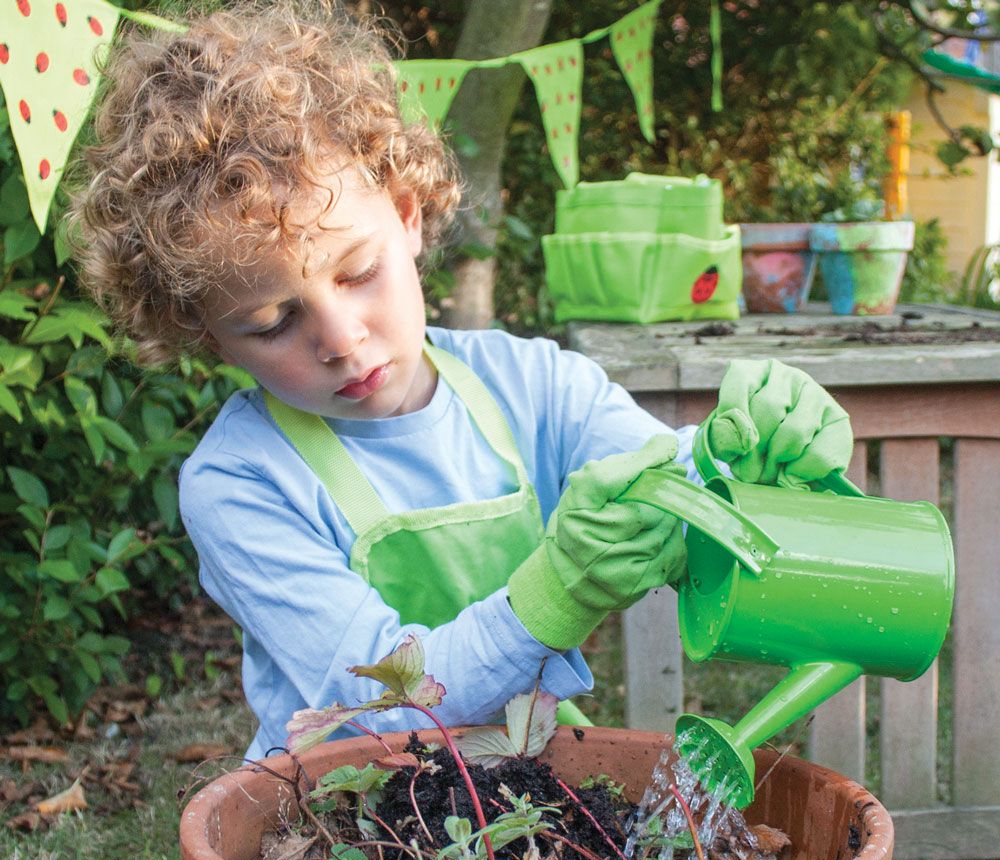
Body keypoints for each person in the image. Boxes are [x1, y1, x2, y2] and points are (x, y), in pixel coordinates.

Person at [68, 1, 853, 761]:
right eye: (272, 321)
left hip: (522, 783)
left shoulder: (535, 386)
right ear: (205, 334)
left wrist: (747, 458)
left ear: (406, 214)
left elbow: (678, 492)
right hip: (341, 819)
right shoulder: (241, 482)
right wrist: (550, 599)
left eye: (358, 272)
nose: (341, 339)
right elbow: (387, 699)